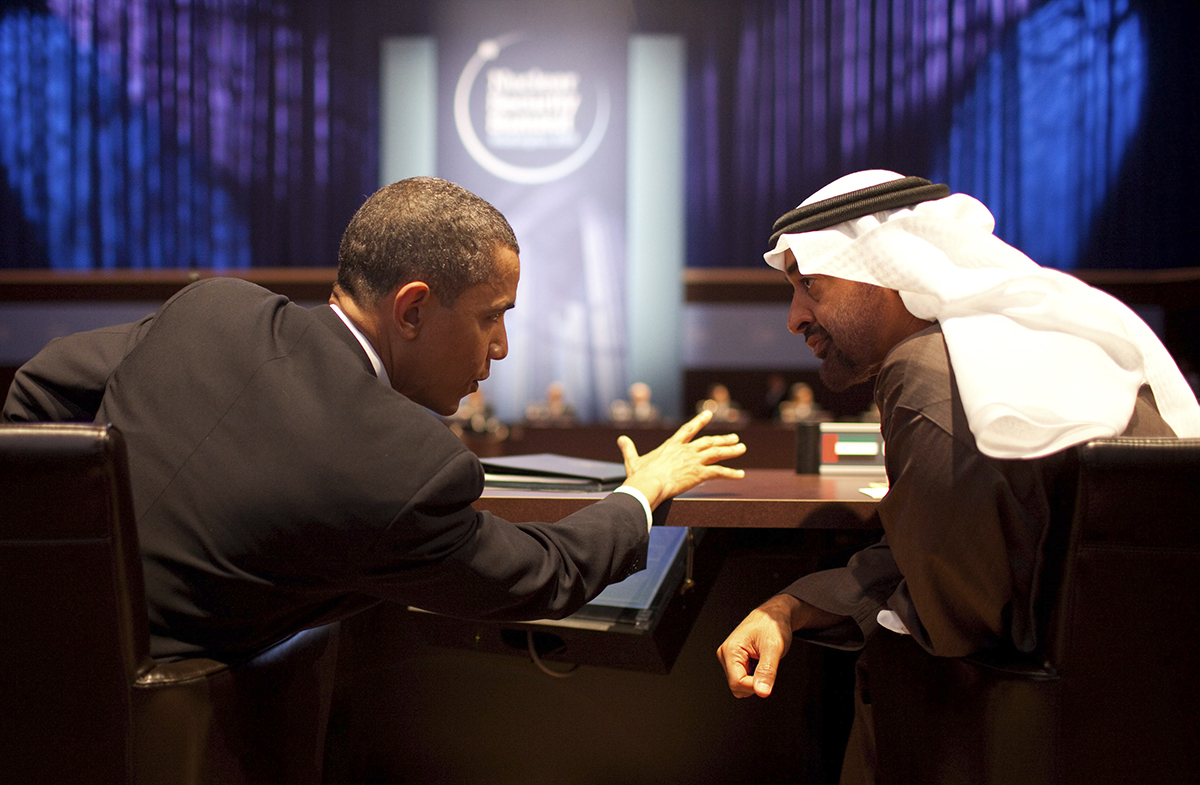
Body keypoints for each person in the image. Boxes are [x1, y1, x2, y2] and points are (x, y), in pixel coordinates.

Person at [4, 177, 746, 662]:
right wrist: (641, 493)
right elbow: (546, 575)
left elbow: (42, 386)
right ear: (413, 308)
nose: (502, 346)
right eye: (493, 317)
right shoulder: (404, 466)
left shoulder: (215, 306)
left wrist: (60, 566)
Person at [715, 170, 1200, 782]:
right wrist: (793, 606)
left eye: (810, 284)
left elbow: (954, 614)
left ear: (884, 271)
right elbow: (964, 550)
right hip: (1148, 717)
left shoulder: (923, 371)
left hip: (1007, 731)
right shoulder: (1025, 342)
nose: (794, 317)